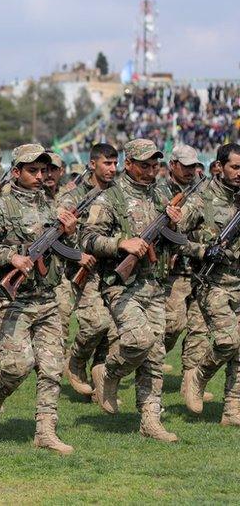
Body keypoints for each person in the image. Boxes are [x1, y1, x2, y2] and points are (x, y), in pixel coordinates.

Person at [0, 144, 80, 455]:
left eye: (43, 170)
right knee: (17, 365)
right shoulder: (0, 208)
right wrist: (11, 257)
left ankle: (45, 431)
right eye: (32, 170)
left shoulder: (52, 207)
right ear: (17, 172)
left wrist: (71, 232)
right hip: (14, 299)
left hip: (47, 299)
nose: (39, 176)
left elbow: (70, 251)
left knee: (51, 367)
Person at [82, 138, 182, 442]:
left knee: (155, 354)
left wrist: (175, 225)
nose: (152, 170)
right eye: (145, 165)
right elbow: (87, 239)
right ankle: (109, 372)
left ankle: (150, 420)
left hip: (154, 284)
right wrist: (120, 244)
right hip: (121, 285)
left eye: (155, 165)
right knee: (139, 340)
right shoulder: (109, 196)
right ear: (129, 164)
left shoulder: (163, 191)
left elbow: (172, 239)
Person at [178, 142, 240, 424]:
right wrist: (202, 250)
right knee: (227, 341)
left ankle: (232, 410)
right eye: (235, 167)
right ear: (219, 167)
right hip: (212, 282)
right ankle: (198, 376)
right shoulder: (201, 198)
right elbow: (175, 238)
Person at [61, 142, 120, 398]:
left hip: (116, 270)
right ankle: (75, 360)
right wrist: (78, 253)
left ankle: (100, 380)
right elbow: (58, 237)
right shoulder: (72, 197)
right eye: (107, 163)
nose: (112, 168)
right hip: (84, 270)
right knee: (97, 323)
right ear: (92, 163)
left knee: (116, 330)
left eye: (115, 163)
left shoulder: (120, 194)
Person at [161, 144, 209, 380]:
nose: (191, 171)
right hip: (173, 269)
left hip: (200, 268)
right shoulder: (160, 190)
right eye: (186, 166)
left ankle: (191, 383)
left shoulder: (202, 190)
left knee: (199, 329)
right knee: (173, 324)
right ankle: (153, 360)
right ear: (173, 165)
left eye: (194, 166)